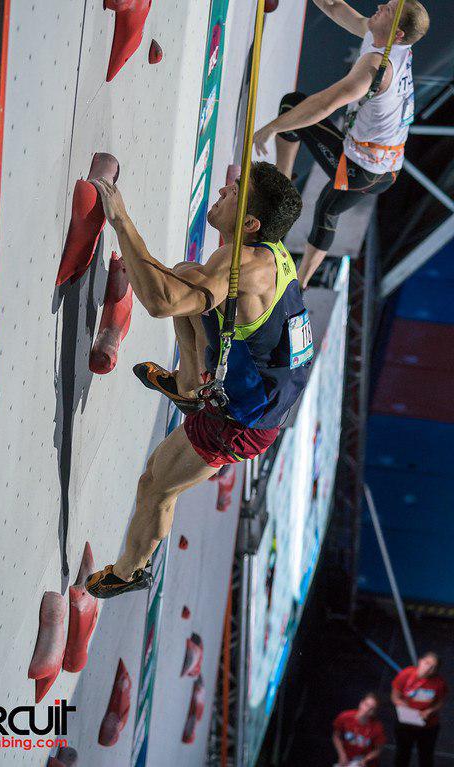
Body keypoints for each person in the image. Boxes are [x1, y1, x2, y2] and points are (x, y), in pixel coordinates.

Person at [85, 162, 311, 598]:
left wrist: (120, 219)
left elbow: (160, 301)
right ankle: (188, 387)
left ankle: (129, 572)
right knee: (188, 274)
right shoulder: (261, 249)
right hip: (264, 374)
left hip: (243, 419)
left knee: (155, 485)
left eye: (235, 190)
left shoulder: (245, 268)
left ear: (251, 223)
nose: (224, 190)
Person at [253, 0, 430, 289]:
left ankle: (297, 284)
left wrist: (272, 128)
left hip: (364, 169)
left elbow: (325, 104)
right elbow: (335, 6)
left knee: (326, 207)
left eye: (387, 9)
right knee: (292, 108)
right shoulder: (384, 40)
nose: (379, 5)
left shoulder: (375, 69)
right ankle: (279, 192)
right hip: (384, 164)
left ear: (397, 33)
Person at [391, 652, 448, 767]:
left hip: (428, 726)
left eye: (433, 667)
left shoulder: (440, 683)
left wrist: (429, 711)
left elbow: (440, 702)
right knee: (402, 755)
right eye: (427, 663)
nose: (429, 668)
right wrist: (402, 705)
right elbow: (395, 697)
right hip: (406, 724)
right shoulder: (406, 674)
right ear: (420, 661)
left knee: (426, 757)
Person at [333, 693, 386, 766]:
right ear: (361, 703)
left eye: (372, 709)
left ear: (374, 712)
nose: (367, 709)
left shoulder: (377, 728)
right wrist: (342, 754)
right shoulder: (345, 716)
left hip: (364, 762)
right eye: (366, 705)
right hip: (346, 759)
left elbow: (379, 749)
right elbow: (336, 736)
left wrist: (366, 760)